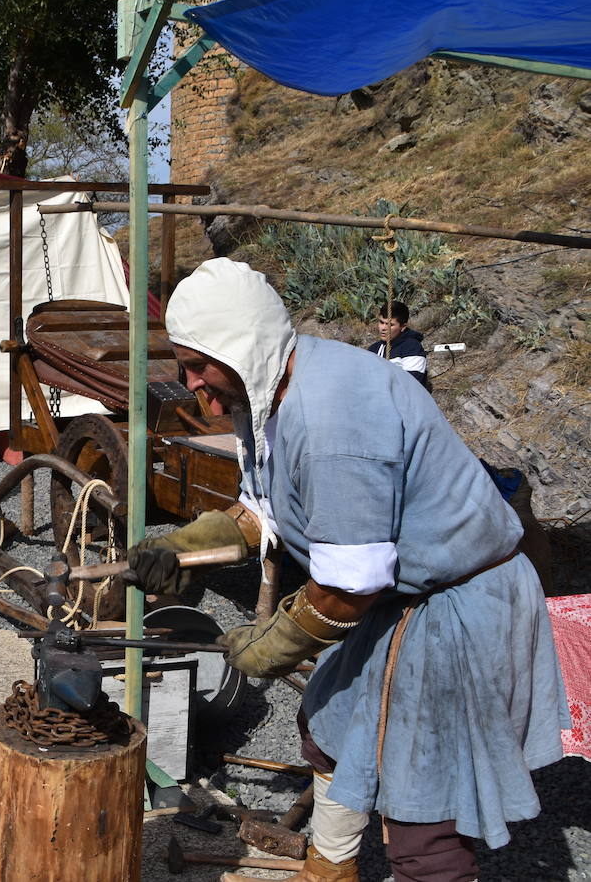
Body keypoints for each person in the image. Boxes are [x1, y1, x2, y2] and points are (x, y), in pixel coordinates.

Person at [130, 258, 565, 882]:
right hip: (398, 598)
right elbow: (264, 515)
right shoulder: (267, 391)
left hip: (458, 610)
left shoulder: (333, 417)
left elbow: (345, 586)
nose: (190, 383)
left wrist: (268, 647)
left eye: (199, 365)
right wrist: (182, 547)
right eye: (184, 364)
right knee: (326, 725)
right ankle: (329, 869)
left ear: (243, 346)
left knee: (423, 813)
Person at [366, 300, 429, 389]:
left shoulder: (412, 348)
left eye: (390, 325)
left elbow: (412, 384)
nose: (383, 328)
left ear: (403, 327)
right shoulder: (374, 349)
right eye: (381, 322)